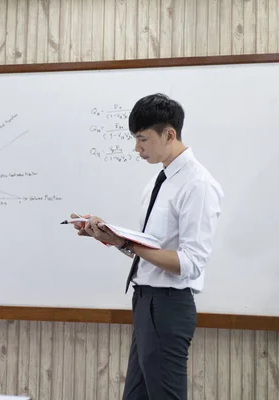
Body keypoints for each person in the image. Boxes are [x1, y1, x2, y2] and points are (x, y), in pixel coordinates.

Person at [74, 93, 224, 399]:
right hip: (145, 302)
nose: (136, 148)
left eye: (142, 139)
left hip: (168, 304)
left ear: (169, 134)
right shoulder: (161, 181)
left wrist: (127, 241)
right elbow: (150, 251)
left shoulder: (198, 185)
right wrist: (113, 239)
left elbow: (190, 263)